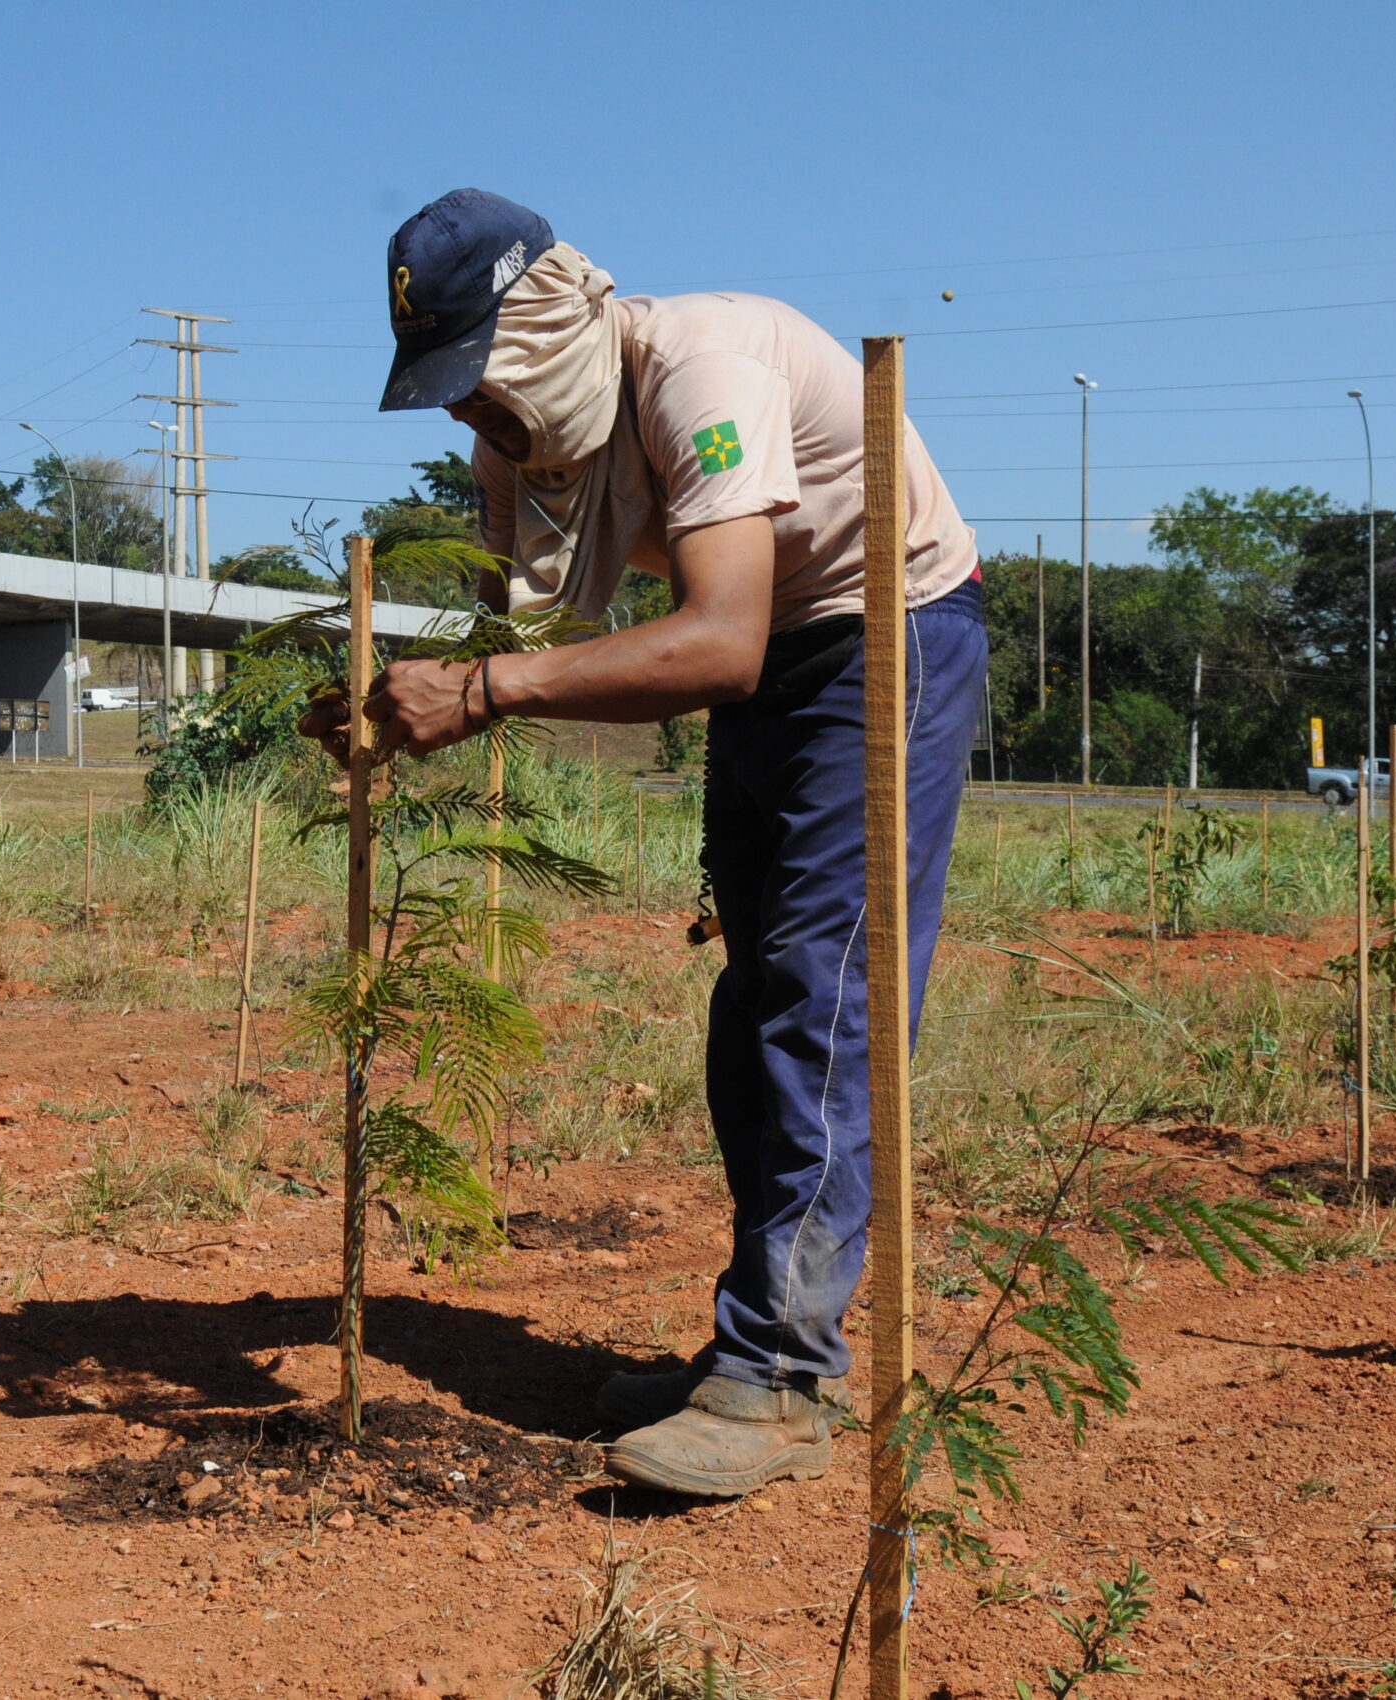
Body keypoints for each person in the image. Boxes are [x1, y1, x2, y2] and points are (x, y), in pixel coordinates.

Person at [314, 188, 987, 1498]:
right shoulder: (520, 439)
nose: (471, 417)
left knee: (821, 995)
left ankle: (782, 1381)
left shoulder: (699, 375)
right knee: (754, 1008)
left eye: (482, 385)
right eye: (449, 391)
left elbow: (717, 642)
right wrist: (399, 693)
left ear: (549, 334)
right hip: (782, 652)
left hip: (880, 632)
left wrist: (482, 697)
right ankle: (754, 1344)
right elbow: (512, 638)